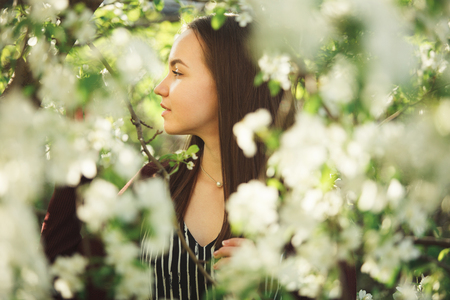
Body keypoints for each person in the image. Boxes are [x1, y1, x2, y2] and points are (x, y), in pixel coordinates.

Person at [41, 15, 355, 300]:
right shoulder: (157, 182)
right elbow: (66, 273)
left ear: (231, 81)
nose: (159, 88)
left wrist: (276, 282)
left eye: (177, 72)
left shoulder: (309, 202)